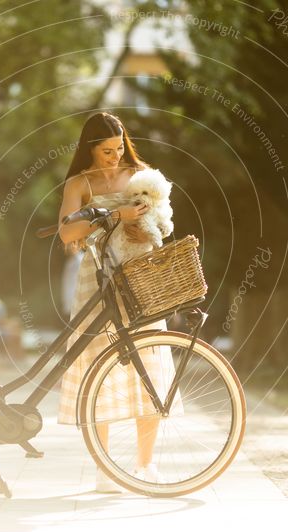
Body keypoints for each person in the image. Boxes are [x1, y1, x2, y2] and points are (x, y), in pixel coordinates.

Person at [57, 112, 176, 493]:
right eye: (107, 150)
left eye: (119, 147)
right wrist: (114, 215)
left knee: (148, 363)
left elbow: (163, 214)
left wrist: (143, 223)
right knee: (97, 366)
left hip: (140, 275)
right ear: (90, 148)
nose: (114, 156)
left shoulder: (139, 175)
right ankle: (104, 467)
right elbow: (67, 233)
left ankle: (145, 464)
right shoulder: (79, 183)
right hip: (96, 277)